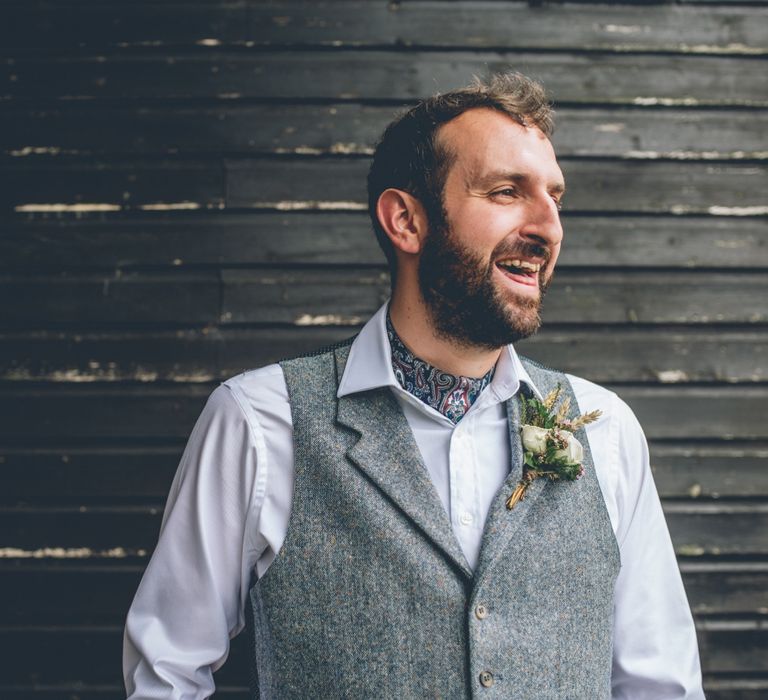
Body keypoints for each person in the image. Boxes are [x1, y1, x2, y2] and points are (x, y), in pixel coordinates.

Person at [124, 73, 705, 698]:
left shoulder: (605, 428)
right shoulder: (260, 423)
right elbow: (167, 673)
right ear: (406, 220)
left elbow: (659, 684)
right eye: (507, 191)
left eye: (555, 198)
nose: (549, 227)